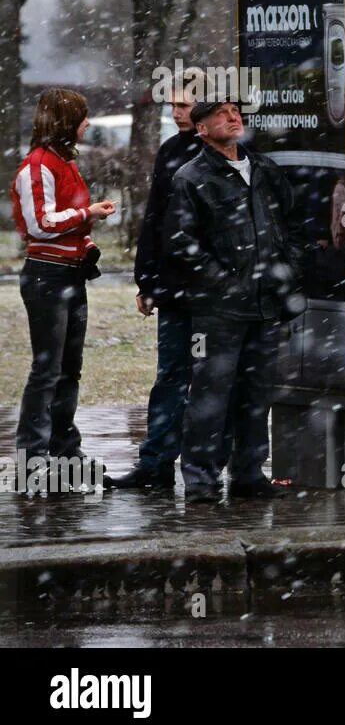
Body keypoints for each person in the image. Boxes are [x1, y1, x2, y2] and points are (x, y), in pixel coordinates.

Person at [166, 94, 306, 503]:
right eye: (220, 114)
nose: (232, 117)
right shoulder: (191, 178)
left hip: (266, 306)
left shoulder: (264, 169)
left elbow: (292, 225)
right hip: (219, 312)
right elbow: (183, 244)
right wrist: (225, 283)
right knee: (210, 397)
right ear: (202, 129)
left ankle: (248, 475)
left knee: (256, 395)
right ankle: (201, 482)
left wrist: (287, 270)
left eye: (235, 112)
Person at [9, 89, 116, 491]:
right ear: (67, 120)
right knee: (47, 370)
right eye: (83, 117)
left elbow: (57, 226)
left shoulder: (63, 162)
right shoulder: (37, 166)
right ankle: (33, 458)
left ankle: (63, 452)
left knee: (68, 369)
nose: (88, 123)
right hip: (48, 277)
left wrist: (86, 242)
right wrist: (86, 214)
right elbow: (39, 225)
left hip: (68, 274)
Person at [112, 88, 204, 490]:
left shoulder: (225, 153)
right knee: (171, 374)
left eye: (183, 105)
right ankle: (157, 463)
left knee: (211, 377)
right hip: (176, 286)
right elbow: (154, 218)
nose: (176, 112)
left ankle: (205, 465)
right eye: (173, 105)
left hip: (208, 290)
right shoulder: (171, 151)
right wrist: (146, 280)